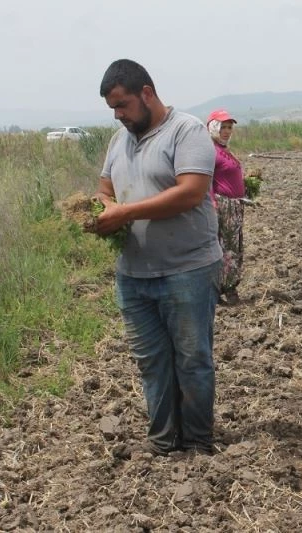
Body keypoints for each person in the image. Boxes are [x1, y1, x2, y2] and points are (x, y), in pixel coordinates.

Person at [95, 59, 221, 456]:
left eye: (123, 105)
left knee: (192, 359)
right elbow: (104, 189)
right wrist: (101, 210)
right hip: (133, 275)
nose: (118, 115)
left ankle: (199, 441)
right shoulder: (120, 141)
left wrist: (125, 213)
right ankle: (164, 441)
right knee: (152, 362)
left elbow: (191, 192)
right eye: (113, 109)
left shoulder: (187, 131)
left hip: (188, 268)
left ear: (146, 93)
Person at [207, 109, 245, 305]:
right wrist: (213, 202)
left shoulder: (224, 150)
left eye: (230, 127)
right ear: (213, 127)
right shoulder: (211, 152)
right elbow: (206, 180)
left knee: (234, 245)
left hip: (234, 205)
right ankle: (227, 288)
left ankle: (225, 286)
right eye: (223, 127)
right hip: (223, 206)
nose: (227, 131)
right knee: (227, 247)